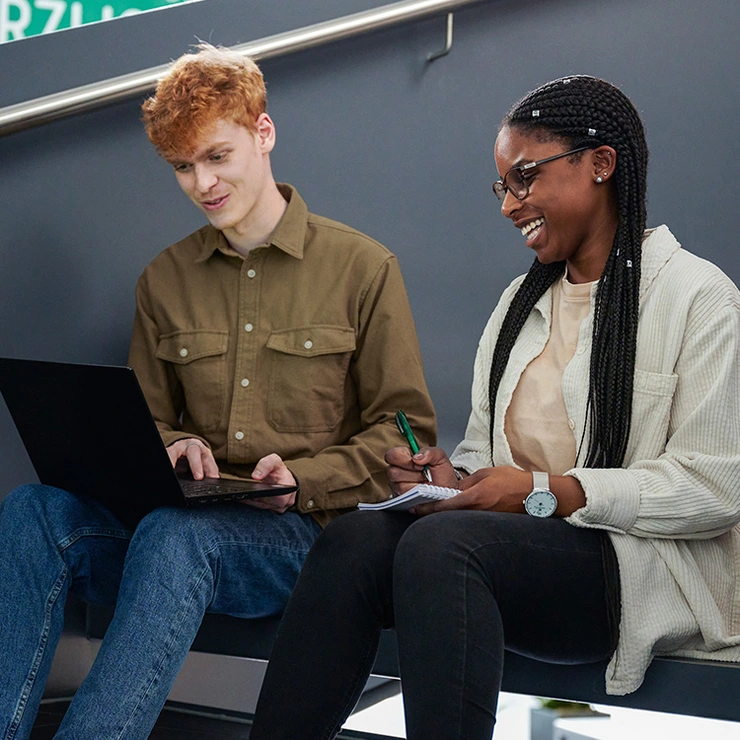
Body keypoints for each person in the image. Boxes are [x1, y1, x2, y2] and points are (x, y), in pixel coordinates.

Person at [249, 75, 740, 740]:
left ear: (601, 164)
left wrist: (543, 491)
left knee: (445, 546)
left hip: (636, 568)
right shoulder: (519, 304)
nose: (511, 204)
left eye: (527, 177)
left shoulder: (699, 299)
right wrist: (452, 482)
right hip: (520, 550)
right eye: (503, 185)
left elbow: (713, 489)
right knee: (356, 540)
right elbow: (491, 462)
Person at [0, 44, 436, 739]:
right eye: (182, 167)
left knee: (179, 537)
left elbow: (403, 431)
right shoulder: (163, 280)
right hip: (170, 540)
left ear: (263, 134)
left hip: (300, 545)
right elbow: (148, 420)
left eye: (217, 156)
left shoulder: (362, 267)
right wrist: (173, 447)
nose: (202, 182)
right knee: (32, 514)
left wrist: (304, 477)